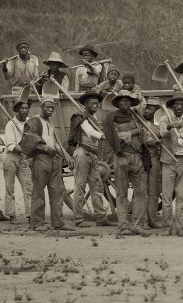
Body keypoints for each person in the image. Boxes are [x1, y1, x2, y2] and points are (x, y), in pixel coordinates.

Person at [21, 97, 74, 231]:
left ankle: (58, 223)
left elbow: (55, 143)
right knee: (38, 192)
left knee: (57, 192)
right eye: (48, 107)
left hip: (54, 160)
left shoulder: (50, 123)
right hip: (41, 159)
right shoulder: (34, 120)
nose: (50, 110)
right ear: (42, 107)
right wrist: (45, 148)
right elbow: (27, 139)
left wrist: (66, 156)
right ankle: (37, 223)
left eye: (52, 108)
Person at [103, 90, 148, 235]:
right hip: (121, 157)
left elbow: (144, 133)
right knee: (121, 193)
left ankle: (137, 225)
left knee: (141, 192)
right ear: (118, 103)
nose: (125, 103)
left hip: (137, 157)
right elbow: (116, 137)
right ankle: (123, 226)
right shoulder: (112, 118)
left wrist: (135, 132)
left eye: (128, 101)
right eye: (122, 101)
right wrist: (132, 133)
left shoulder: (136, 117)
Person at [69, 91, 113, 227]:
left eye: (96, 103)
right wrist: (104, 136)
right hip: (82, 153)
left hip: (93, 155)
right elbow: (89, 132)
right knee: (80, 187)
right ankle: (78, 219)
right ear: (85, 105)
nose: (95, 105)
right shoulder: (81, 117)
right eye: (91, 103)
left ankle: (101, 218)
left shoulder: (93, 117)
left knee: (97, 186)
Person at [158, 93, 183, 236]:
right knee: (167, 196)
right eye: (176, 105)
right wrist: (169, 126)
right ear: (172, 107)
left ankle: (180, 227)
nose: (179, 107)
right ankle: (166, 227)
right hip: (168, 161)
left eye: (182, 105)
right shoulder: (164, 118)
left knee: (182, 196)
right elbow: (162, 133)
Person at [3, 98, 33, 224]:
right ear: (17, 110)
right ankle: (11, 215)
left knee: (28, 187)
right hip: (11, 158)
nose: (25, 111)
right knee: (10, 188)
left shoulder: (29, 123)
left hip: (23, 158)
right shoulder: (10, 125)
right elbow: (10, 145)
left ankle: (31, 215)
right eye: (22, 108)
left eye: (26, 108)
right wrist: (25, 149)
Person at [140, 97, 163, 229]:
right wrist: (151, 141)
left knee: (153, 191)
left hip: (154, 158)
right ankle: (142, 220)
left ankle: (151, 219)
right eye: (146, 108)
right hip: (141, 158)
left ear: (156, 110)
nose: (147, 110)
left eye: (150, 108)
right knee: (141, 190)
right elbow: (143, 139)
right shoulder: (138, 123)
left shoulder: (160, 125)